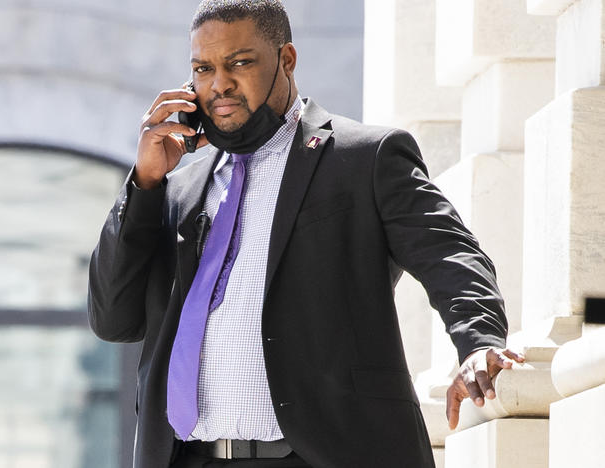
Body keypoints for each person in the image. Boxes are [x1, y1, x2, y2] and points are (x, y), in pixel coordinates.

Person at [87, 1, 524, 467]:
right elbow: (114, 319)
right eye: (203, 68)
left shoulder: (364, 158)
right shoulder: (178, 191)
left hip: (320, 455)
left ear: (286, 60)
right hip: (190, 458)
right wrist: (144, 184)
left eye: (240, 62)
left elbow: (449, 254)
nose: (219, 84)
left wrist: (479, 341)